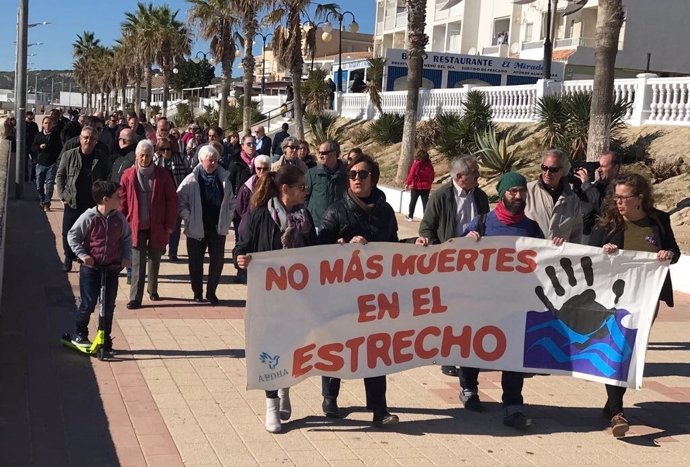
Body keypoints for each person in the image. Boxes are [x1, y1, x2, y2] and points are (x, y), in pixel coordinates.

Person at [589, 173, 679, 437]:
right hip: (615, 299)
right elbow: (589, 251)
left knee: (632, 350)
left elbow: (674, 251)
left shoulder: (658, 220)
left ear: (639, 198)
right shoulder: (609, 223)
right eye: (615, 197)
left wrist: (667, 254)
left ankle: (612, 403)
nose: (618, 202)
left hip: (647, 298)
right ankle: (617, 412)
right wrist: (602, 251)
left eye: (623, 197)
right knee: (616, 348)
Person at [457, 172, 546, 429]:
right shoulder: (483, 222)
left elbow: (546, 257)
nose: (518, 196)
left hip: (516, 302)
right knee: (475, 344)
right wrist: (467, 241)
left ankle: (513, 405)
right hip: (482, 300)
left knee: (514, 352)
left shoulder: (531, 227)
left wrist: (557, 246)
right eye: (512, 192)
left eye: (521, 192)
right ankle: (469, 388)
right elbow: (454, 254)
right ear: (502, 194)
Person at [317, 153, 399, 427]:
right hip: (341, 295)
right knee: (337, 345)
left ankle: (379, 408)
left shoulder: (385, 211)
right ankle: (330, 398)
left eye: (362, 174)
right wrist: (343, 245)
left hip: (375, 294)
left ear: (373, 179)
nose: (356, 179)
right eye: (352, 174)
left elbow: (394, 248)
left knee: (375, 349)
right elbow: (320, 251)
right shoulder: (335, 211)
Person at [234, 165, 316, 433]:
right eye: (301, 187)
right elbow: (242, 246)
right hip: (268, 297)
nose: (306, 191)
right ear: (286, 190)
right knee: (269, 345)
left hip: (298, 296)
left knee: (292, 345)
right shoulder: (259, 216)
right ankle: (271, 406)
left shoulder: (305, 218)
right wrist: (241, 258)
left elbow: (317, 251)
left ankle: (285, 387)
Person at [417, 155, 489, 377]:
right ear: (459, 177)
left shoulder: (480, 197)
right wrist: (438, 252)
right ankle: (446, 356)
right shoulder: (440, 196)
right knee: (447, 313)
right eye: (474, 174)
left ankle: (467, 353)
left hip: (473, 266)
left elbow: (487, 224)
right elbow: (427, 227)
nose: (478, 177)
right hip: (447, 264)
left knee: (468, 311)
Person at [67, 180, 132, 350]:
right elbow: (72, 236)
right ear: (105, 199)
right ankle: (80, 333)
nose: (120, 199)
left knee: (108, 304)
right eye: (117, 196)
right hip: (91, 269)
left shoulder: (119, 219)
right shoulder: (89, 217)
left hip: (111, 268)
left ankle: (104, 335)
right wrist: (83, 255)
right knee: (88, 302)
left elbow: (126, 238)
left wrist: (126, 257)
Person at [119, 140, 178, 309]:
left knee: (154, 259)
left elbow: (172, 200)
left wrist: (170, 224)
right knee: (137, 262)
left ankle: (152, 289)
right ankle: (135, 298)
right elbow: (122, 201)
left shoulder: (162, 175)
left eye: (148, 155)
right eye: (142, 155)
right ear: (137, 156)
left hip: (157, 225)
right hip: (135, 225)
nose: (145, 159)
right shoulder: (128, 175)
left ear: (153, 156)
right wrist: (122, 224)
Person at [177, 145, 236, 305]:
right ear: (201, 160)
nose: (213, 163)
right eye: (210, 160)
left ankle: (211, 292)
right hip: (196, 226)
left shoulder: (223, 179)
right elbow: (180, 201)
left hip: (217, 227)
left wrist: (228, 217)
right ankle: (197, 292)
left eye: (215, 160)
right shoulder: (191, 179)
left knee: (217, 261)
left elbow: (231, 201)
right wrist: (187, 217)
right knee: (195, 262)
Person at [56, 126, 111, 272]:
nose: (88, 141)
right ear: (80, 139)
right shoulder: (69, 155)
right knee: (68, 232)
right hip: (73, 201)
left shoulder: (102, 158)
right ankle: (68, 257)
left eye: (92, 138)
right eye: (86, 137)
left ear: (96, 141)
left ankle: (87, 258)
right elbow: (60, 176)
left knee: (91, 234)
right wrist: (63, 195)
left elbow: (108, 178)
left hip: (92, 203)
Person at [525, 149, 583, 243]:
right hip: (532, 253)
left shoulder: (573, 199)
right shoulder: (527, 191)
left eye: (553, 169)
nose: (547, 173)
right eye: (544, 168)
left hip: (559, 255)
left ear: (563, 171)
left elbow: (576, 234)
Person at [154, 137, 191, 262]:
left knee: (175, 226)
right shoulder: (155, 159)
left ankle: (173, 252)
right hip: (160, 197)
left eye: (168, 149)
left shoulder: (180, 158)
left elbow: (189, 173)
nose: (166, 152)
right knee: (161, 225)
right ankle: (162, 245)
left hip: (176, 196)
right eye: (162, 149)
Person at [574, 151, 622, 238]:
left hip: (604, 235)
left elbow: (604, 208)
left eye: (603, 166)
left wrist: (586, 184)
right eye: (599, 166)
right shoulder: (598, 185)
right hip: (586, 231)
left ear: (615, 168)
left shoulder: (619, 187)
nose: (599, 170)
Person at [304, 140, 348, 228]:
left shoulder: (346, 175)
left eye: (324, 153)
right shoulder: (311, 174)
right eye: (319, 152)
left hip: (339, 225)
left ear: (335, 154)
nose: (320, 156)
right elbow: (304, 197)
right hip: (316, 225)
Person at [32, 116, 62, 211]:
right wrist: (39, 147)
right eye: (45, 123)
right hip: (40, 163)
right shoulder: (39, 135)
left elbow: (60, 149)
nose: (47, 125)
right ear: (42, 124)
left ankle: (47, 203)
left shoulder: (56, 136)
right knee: (39, 185)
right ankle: (42, 199)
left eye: (49, 123)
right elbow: (33, 148)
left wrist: (57, 162)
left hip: (51, 164)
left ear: (52, 124)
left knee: (49, 185)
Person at [404, 149, 435, 221]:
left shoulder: (416, 164)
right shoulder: (429, 165)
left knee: (413, 201)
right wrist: (429, 183)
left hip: (416, 186)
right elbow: (432, 175)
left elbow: (411, 174)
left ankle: (410, 216)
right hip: (426, 187)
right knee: (425, 203)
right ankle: (426, 218)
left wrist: (407, 183)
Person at [25, 111, 39, 181]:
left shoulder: (34, 124)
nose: (31, 120)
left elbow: (37, 134)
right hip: (25, 145)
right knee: (25, 162)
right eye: (29, 119)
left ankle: (33, 177)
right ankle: (25, 176)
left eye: (32, 119)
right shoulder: (23, 124)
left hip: (33, 145)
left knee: (35, 162)